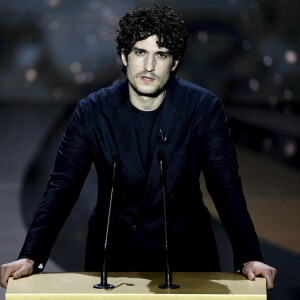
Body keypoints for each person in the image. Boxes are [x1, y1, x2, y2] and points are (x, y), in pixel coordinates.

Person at [1, 5, 277, 290]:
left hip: (185, 258)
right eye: (140, 52)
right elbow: (62, 187)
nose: (148, 66)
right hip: (113, 262)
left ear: (175, 61)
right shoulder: (93, 111)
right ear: (124, 55)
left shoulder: (203, 109)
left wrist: (249, 257)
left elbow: (225, 186)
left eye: (161, 55)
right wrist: (31, 255)